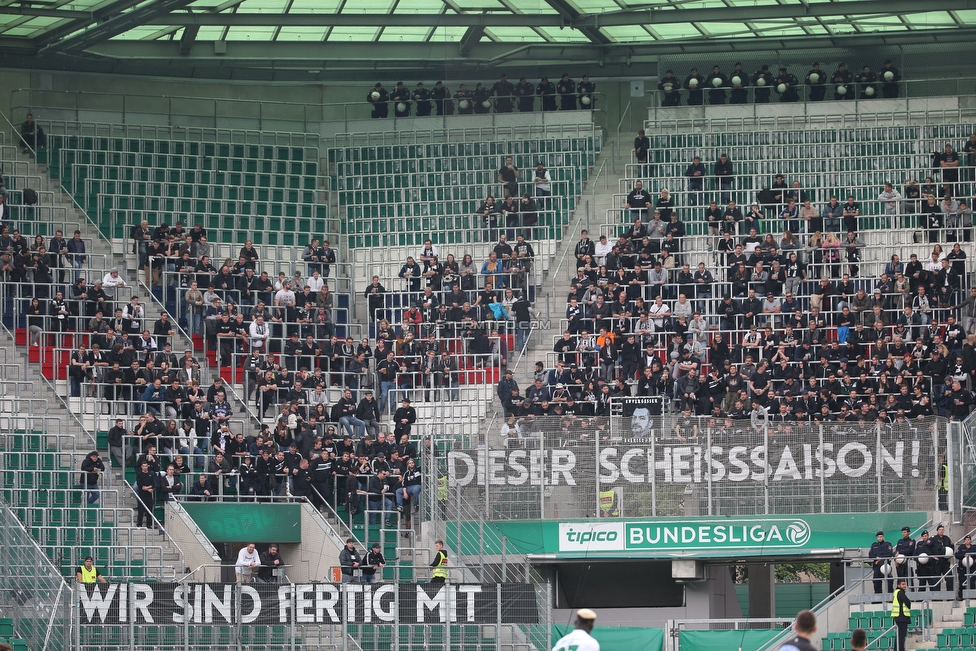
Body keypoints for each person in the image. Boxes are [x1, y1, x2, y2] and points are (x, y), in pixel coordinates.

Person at [891, 579, 911, 651]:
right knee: (901, 635)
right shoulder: (900, 593)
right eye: (903, 584)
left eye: (905, 584)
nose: (904, 586)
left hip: (898, 616)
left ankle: (897, 648)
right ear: (898, 585)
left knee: (899, 635)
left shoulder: (896, 592)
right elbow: (907, 602)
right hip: (902, 616)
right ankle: (900, 649)